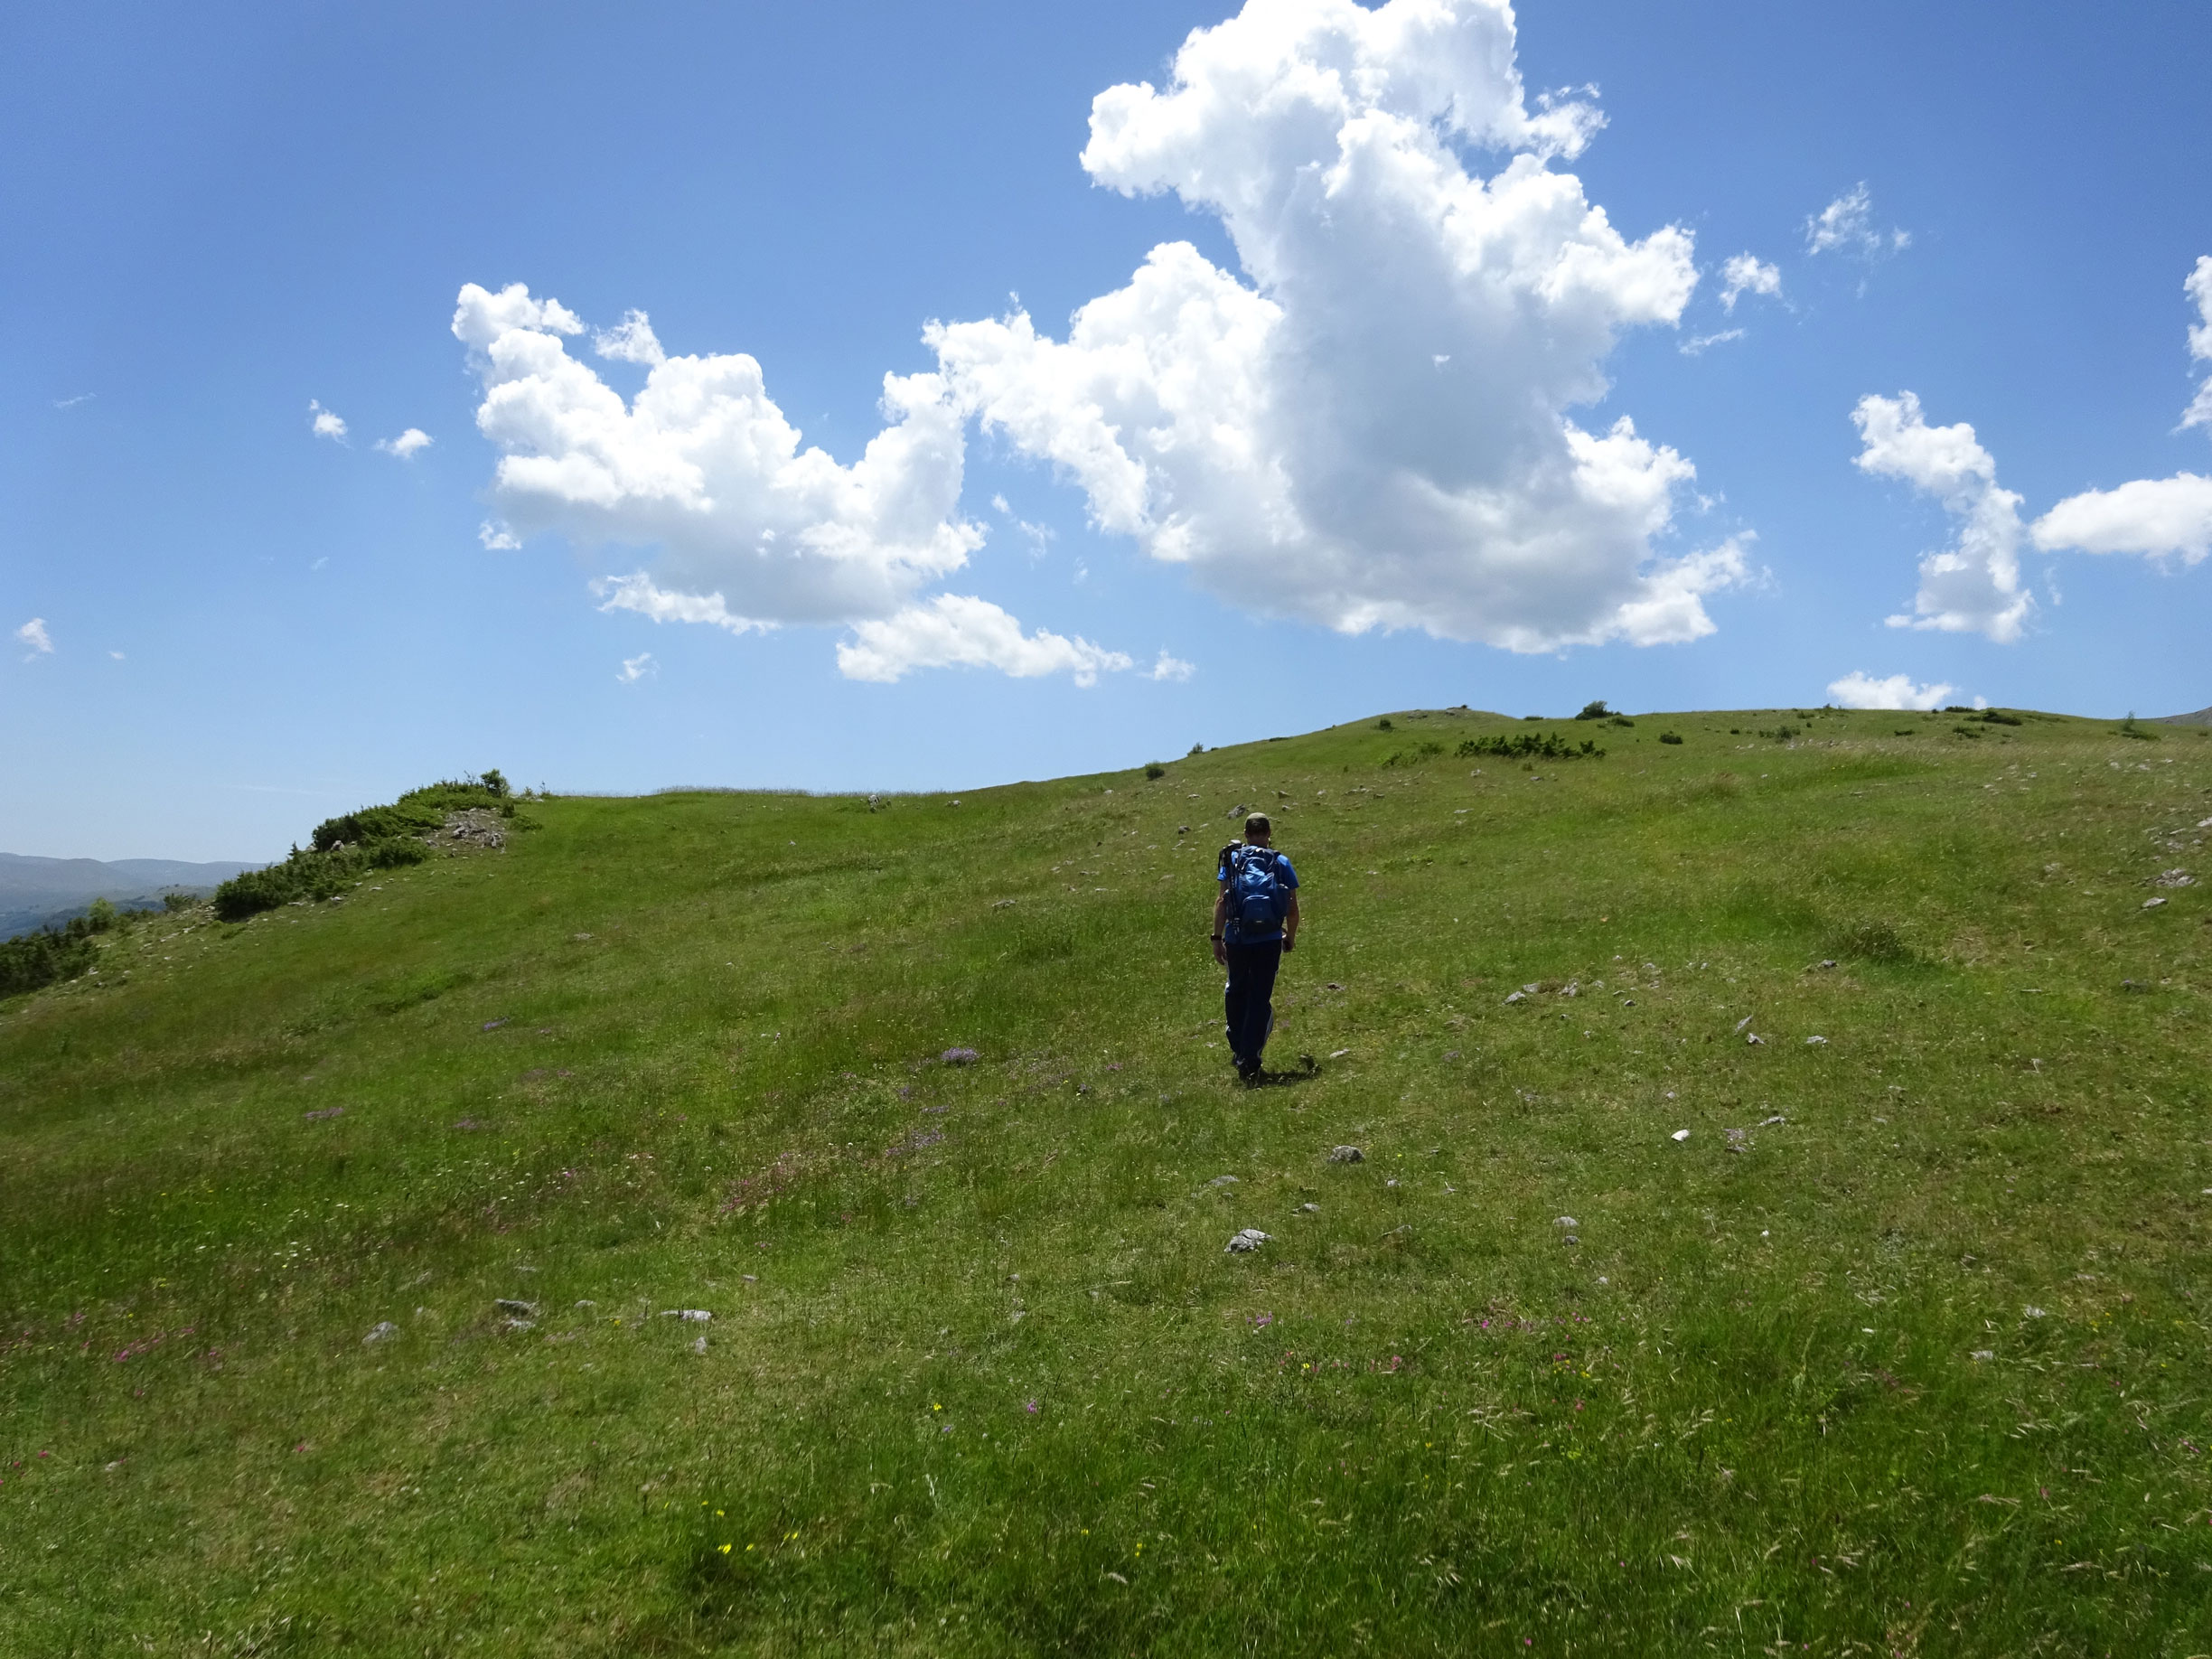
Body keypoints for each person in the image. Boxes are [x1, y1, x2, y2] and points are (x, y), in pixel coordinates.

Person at [1212, 811, 1299, 1084]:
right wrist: (1290, 937)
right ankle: (1249, 1058)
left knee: (1236, 990)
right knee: (1259, 998)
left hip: (1237, 938)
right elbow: (1293, 909)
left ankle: (1238, 1047)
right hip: (1269, 939)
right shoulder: (1280, 861)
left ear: (1247, 834)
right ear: (1269, 834)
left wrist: (1216, 938)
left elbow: (1222, 902)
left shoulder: (1232, 860)